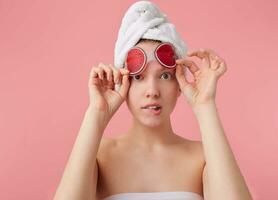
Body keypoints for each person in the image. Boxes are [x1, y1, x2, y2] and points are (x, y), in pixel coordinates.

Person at [54, 1, 252, 200]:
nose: (152, 91)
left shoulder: (205, 157)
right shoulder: (98, 155)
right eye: (138, 77)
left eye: (165, 76)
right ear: (123, 82)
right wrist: (96, 114)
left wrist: (205, 105)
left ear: (179, 85)